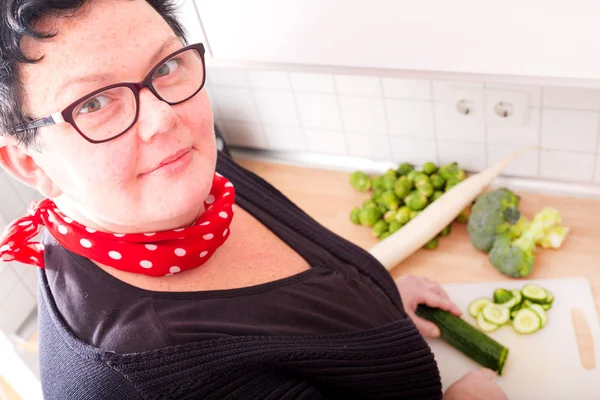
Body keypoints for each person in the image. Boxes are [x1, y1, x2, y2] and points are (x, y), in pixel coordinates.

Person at [0, 1, 508, 399]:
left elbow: (293, 309)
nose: (163, 120)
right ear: (29, 164)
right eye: (93, 103)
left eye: (167, 65)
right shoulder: (146, 378)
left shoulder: (188, 177)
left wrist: (377, 298)